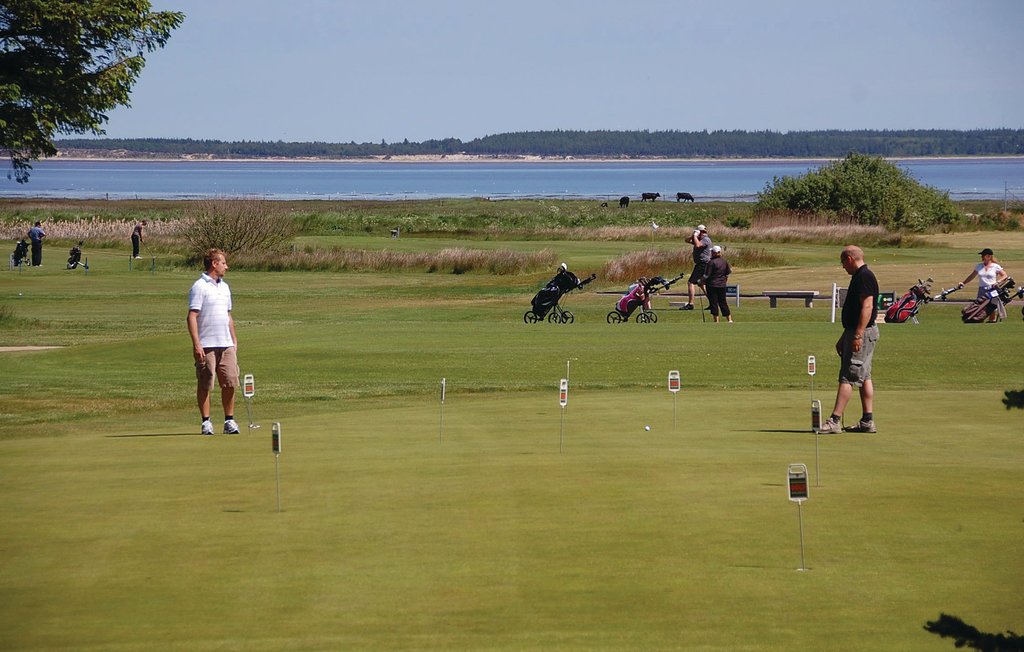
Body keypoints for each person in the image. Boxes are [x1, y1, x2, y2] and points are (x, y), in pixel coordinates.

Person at [818, 245, 879, 434]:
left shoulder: (864, 276)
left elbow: (867, 307)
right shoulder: (859, 276)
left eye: (843, 262)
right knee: (864, 376)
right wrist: (846, 335)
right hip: (856, 331)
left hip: (863, 332)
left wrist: (858, 334)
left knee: (848, 375)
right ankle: (867, 421)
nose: (843, 267)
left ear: (850, 259)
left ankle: (834, 420)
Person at [187, 248, 240, 435]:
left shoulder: (225, 287)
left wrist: (234, 339)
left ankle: (229, 420)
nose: (227, 266)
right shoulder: (199, 286)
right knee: (205, 384)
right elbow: (192, 316)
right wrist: (196, 343)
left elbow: (228, 315)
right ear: (214, 264)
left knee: (230, 382)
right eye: (224, 263)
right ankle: (206, 422)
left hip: (226, 344)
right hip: (207, 345)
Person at [958, 247, 1008, 322]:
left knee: (991, 306)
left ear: (989, 256)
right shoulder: (979, 266)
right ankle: (978, 319)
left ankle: (992, 320)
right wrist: (963, 283)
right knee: (979, 306)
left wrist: (997, 282)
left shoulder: (995, 266)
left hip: (992, 289)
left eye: (983, 255)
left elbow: (1005, 276)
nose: (982, 257)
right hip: (982, 289)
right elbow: (972, 276)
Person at [680, 224, 711, 310]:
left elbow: (698, 245)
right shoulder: (698, 238)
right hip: (701, 264)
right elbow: (686, 240)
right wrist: (693, 236)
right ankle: (713, 303)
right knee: (702, 284)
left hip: (703, 264)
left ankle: (691, 304)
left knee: (691, 282)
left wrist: (695, 236)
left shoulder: (705, 239)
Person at [702, 245, 733, 323]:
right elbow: (727, 273)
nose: (711, 253)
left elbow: (706, 275)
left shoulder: (711, 262)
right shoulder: (724, 261)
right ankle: (729, 319)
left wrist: (700, 280)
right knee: (723, 302)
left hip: (712, 285)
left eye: (712, 252)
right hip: (722, 285)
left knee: (714, 303)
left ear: (715, 253)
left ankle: (716, 321)